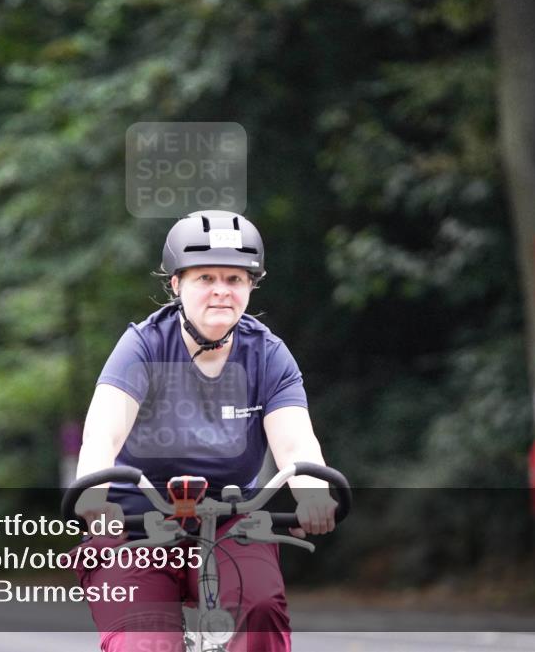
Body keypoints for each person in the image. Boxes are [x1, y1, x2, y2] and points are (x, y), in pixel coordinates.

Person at [73, 210, 338, 652]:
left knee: (261, 612)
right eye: (205, 278)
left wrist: (312, 490)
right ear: (176, 284)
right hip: (136, 525)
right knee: (145, 643)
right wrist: (94, 499)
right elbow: (102, 436)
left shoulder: (268, 355)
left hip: (230, 522)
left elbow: (295, 442)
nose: (221, 291)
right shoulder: (143, 346)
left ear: (252, 284)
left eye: (235, 279)